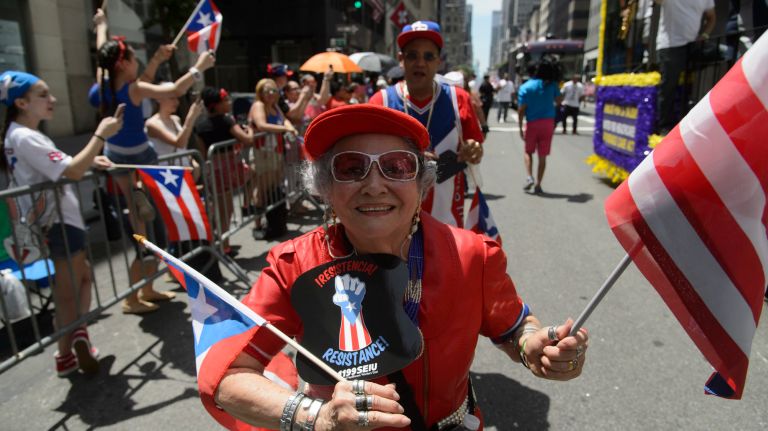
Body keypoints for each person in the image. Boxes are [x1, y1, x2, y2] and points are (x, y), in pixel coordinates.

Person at [204, 104, 589, 430]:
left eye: (397, 166)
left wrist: (533, 346)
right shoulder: (293, 266)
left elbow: (514, 327)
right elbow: (225, 374)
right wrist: (318, 417)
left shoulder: (473, 255)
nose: (374, 185)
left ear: (421, 184)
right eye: (352, 168)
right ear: (325, 187)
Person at [89, 8, 215, 313]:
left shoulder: (102, 81)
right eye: (134, 57)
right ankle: (134, 297)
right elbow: (172, 90)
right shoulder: (134, 88)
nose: (139, 62)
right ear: (124, 63)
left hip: (120, 157)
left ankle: (146, 288)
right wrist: (198, 67)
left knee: (146, 221)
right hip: (137, 158)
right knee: (144, 229)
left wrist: (102, 25)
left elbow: (101, 48)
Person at [0, 70, 124, 375]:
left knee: (78, 281)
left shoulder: (22, 135)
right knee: (69, 289)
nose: (52, 99)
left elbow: (59, 164)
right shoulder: (24, 135)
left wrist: (89, 157)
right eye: (43, 94)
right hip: (58, 223)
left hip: (54, 222)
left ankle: (66, 352)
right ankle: (77, 335)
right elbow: (71, 171)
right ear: (21, 102)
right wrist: (99, 136)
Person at [369, 20, 484, 228]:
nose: (420, 63)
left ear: (439, 61)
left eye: (428, 56)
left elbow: (475, 146)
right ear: (401, 60)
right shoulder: (381, 102)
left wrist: (473, 150)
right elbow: (367, 158)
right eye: (412, 55)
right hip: (392, 222)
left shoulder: (459, 100)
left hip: (446, 219)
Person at [195, 86, 254, 254]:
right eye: (225, 100)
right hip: (228, 169)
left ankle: (220, 240)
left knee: (218, 208)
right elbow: (247, 140)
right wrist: (249, 130)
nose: (229, 102)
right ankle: (223, 245)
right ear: (216, 104)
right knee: (226, 210)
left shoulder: (200, 125)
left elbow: (202, 152)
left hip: (212, 169)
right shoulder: (227, 121)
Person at [248, 78, 299, 240]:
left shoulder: (275, 106)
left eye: (274, 90)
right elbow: (262, 125)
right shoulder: (258, 106)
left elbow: (284, 119)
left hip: (275, 152)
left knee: (273, 187)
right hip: (261, 153)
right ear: (260, 93)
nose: (271, 93)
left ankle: (272, 221)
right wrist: (285, 128)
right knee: (261, 189)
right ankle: (256, 224)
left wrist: (288, 125)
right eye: (267, 91)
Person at [654, 0, 716, 134]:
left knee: (689, 86)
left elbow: (712, 17)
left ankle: (689, 120)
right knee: (668, 87)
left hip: (693, 45)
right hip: (670, 46)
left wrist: (704, 35)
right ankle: (664, 126)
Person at [517, 58, 562, 195]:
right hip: (548, 123)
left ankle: (529, 177)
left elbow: (521, 110)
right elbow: (559, 101)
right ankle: (538, 184)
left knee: (528, 152)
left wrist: (520, 127)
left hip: (532, 123)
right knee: (543, 156)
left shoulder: (525, 87)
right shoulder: (552, 85)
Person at [145, 86, 204, 179]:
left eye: (177, 98)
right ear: (159, 98)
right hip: (167, 175)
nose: (177, 102)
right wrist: (191, 118)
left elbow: (182, 145)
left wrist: (191, 160)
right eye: (172, 98)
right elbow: (179, 143)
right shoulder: (152, 123)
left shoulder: (176, 119)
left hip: (185, 171)